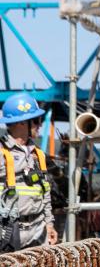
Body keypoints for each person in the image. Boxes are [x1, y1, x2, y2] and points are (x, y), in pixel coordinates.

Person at [0, 92, 56, 251]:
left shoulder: (37, 154)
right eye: (37, 121)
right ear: (22, 123)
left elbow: (45, 192)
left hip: (38, 232)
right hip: (8, 232)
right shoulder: (2, 152)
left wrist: (49, 225)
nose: (40, 126)